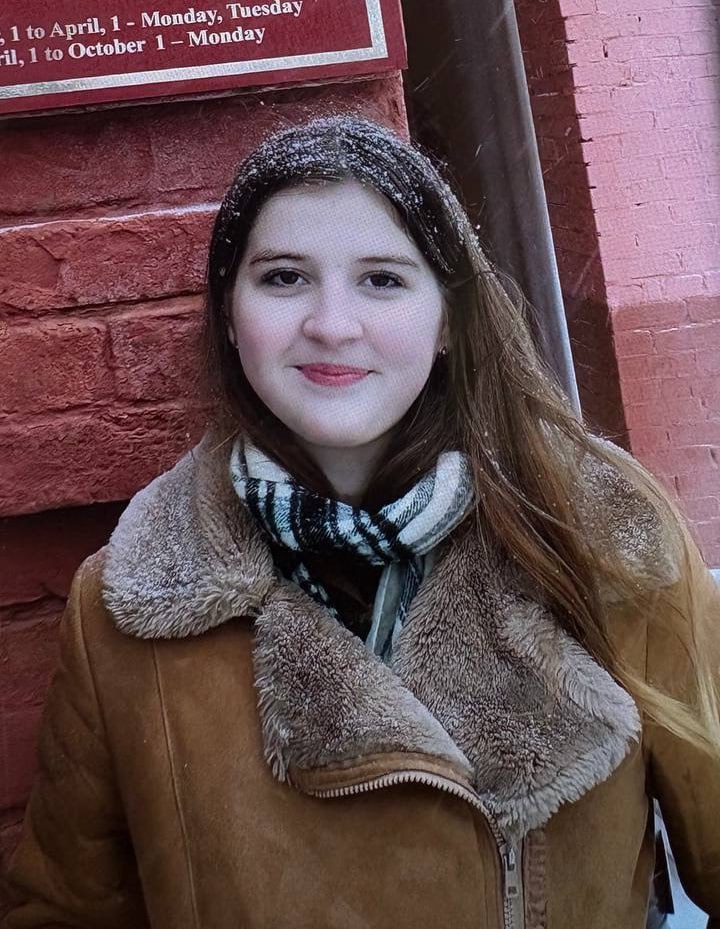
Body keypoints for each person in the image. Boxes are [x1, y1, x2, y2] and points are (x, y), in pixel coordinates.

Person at [3, 114, 719, 929]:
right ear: (231, 315)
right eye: (283, 277)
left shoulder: (601, 534)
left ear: (448, 319)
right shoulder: (127, 607)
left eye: (382, 279)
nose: (332, 324)